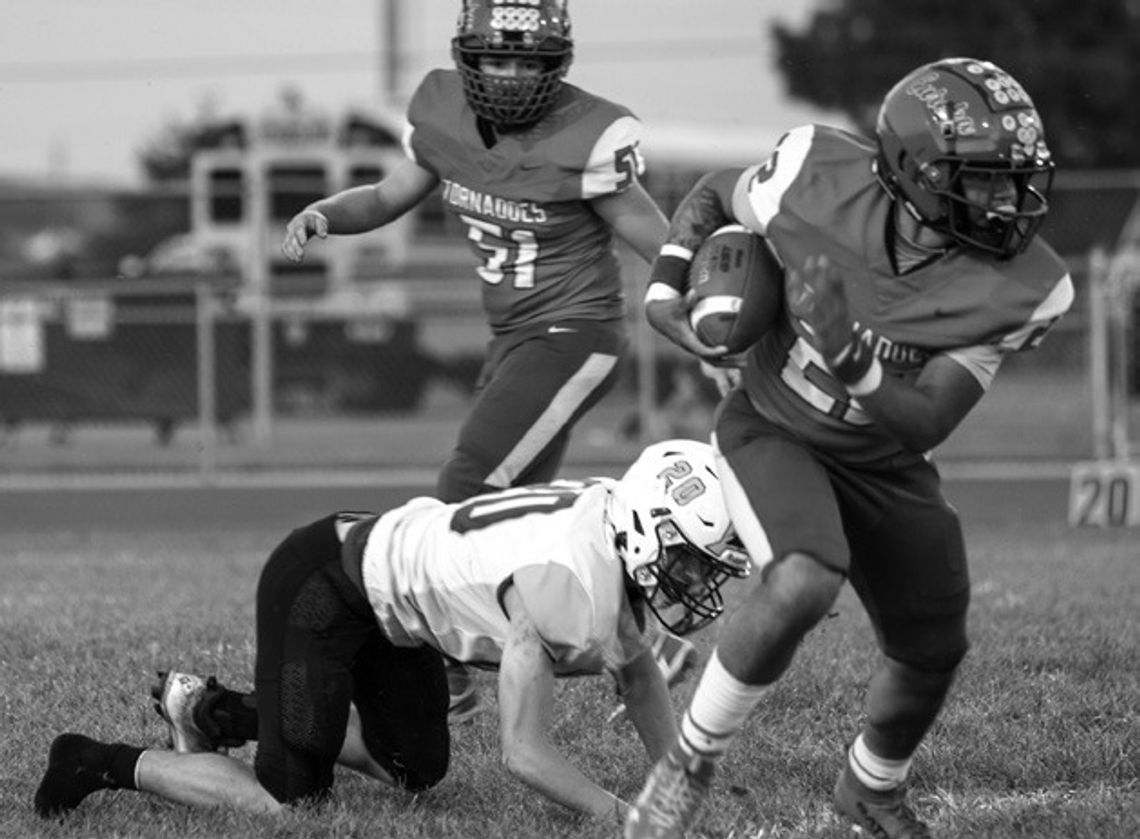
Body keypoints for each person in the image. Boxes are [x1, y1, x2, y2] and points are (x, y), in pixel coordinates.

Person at [623, 58, 1074, 839]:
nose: (1008, 201)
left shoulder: (1019, 285)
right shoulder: (815, 178)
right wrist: (666, 283)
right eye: (985, 179)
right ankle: (688, 761)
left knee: (933, 645)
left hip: (885, 454)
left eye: (1015, 180)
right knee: (802, 580)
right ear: (916, 173)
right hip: (772, 423)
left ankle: (871, 787)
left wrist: (847, 349)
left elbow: (926, 420)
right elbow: (715, 191)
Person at [280, 0, 682, 723]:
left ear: (556, 63)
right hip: (516, 339)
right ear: (469, 56)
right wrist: (325, 214)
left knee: (464, 487)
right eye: (498, 57)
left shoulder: (585, 136)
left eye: (528, 62)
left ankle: (453, 669)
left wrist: (720, 312)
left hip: (575, 334)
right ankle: (639, 646)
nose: (511, 76)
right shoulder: (442, 118)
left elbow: (665, 245)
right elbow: (384, 196)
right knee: (523, 528)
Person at [34, 440, 751, 824]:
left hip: (393, 610)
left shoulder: (607, 516)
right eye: (690, 559)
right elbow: (525, 753)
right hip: (325, 585)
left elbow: (634, 667)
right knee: (289, 802)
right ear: (642, 530)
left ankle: (214, 710)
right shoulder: (564, 587)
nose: (697, 581)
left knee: (414, 767)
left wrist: (678, 784)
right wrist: (625, 817)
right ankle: (96, 759)